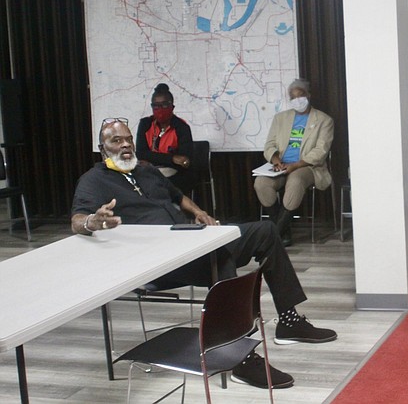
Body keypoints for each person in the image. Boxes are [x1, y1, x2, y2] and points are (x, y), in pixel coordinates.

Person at [71, 118, 337, 391]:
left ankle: (289, 322)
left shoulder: (145, 171)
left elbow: (177, 197)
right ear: (103, 150)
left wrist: (198, 213)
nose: (125, 145)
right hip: (157, 263)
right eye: (116, 141)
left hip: (188, 241)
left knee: (266, 231)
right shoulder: (94, 181)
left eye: (128, 139)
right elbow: (77, 220)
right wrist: (92, 221)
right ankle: (239, 356)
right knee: (219, 256)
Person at [254, 79, 333, 246]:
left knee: (295, 181)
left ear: (308, 95)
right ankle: (283, 231)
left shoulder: (324, 120)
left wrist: (296, 165)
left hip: (307, 166)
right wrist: (275, 160)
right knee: (261, 183)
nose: (297, 100)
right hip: (280, 165)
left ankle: (275, 234)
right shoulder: (280, 118)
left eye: (301, 96)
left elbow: (320, 152)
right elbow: (269, 145)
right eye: (293, 97)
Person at [135, 83, 197, 195]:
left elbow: (184, 161)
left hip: (175, 176)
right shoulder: (145, 124)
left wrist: (152, 158)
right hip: (149, 173)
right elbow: (140, 154)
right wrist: (172, 159)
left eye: (164, 105)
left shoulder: (182, 127)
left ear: (172, 107)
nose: (160, 109)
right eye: (156, 106)